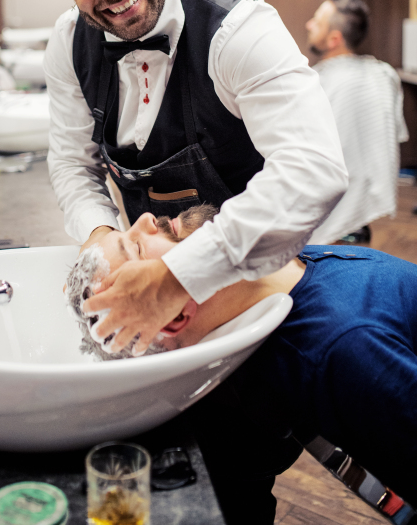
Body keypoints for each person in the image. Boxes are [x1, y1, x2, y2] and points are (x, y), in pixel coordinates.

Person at [37, 0, 347, 355]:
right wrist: (101, 236)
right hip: (171, 327)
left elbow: (314, 170)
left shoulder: (241, 32)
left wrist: (177, 276)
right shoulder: (67, 43)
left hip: (266, 289)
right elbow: (74, 164)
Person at [66, 207, 417, 519]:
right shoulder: (340, 352)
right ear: (173, 318)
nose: (144, 219)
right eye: (137, 246)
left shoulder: (291, 276)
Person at [306, 0, 408, 245]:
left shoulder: (313, 83)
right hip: (366, 211)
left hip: (324, 213)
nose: (309, 24)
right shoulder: (384, 74)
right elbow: (396, 135)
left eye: (317, 22)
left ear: (334, 39)